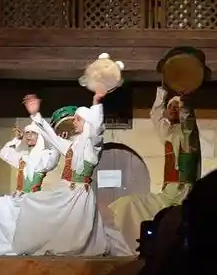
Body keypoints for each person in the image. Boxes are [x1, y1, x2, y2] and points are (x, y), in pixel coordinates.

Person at [12, 93, 132, 256]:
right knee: (31, 201)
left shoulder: (92, 146)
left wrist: (96, 102)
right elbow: (51, 136)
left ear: (87, 122)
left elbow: (97, 129)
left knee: (76, 233)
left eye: (78, 119)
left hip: (79, 194)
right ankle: (36, 243)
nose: (73, 121)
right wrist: (36, 115)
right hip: (64, 190)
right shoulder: (71, 146)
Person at [108, 86, 200, 251]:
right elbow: (155, 116)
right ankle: (130, 246)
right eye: (170, 106)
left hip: (183, 195)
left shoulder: (188, 134)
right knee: (127, 204)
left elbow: (188, 120)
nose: (173, 109)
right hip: (166, 195)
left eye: (176, 107)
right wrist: (161, 91)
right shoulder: (168, 133)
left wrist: (184, 101)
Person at [0, 123, 60, 255]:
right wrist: (17, 139)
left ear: (40, 136)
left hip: (32, 200)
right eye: (27, 133)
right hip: (17, 199)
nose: (28, 136)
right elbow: (3, 153)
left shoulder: (45, 156)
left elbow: (54, 156)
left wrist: (52, 136)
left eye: (32, 133)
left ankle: (15, 247)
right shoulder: (23, 157)